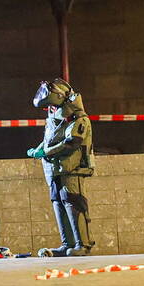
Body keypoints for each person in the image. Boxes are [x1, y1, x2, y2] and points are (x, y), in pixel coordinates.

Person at [27, 78, 95, 257]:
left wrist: (46, 152)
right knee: (58, 203)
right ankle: (68, 244)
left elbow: (71, 143)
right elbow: (50, 139)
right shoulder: (55, 117)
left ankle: (83, 244)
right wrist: (41, 148)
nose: (50, 109)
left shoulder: (78, 119)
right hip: (55, 170)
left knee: (73, 202)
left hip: (72, 170)